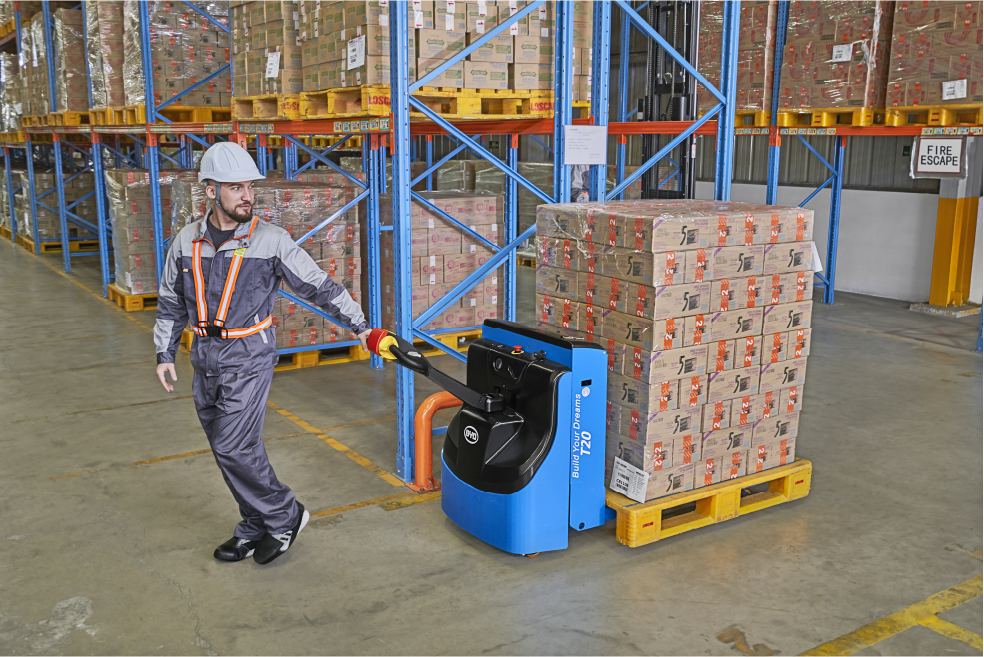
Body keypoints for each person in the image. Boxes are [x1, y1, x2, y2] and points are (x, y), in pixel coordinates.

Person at [153, 142, 372, 565]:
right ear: (211, 191)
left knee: (232, 445)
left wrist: (361, 327)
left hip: (248, 355)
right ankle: (253, 526)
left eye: (250, 187)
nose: (247, 196)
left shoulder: (271, 240)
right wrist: (164, 354)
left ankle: (286, 515)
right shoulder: (185, 241)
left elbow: (318, 285)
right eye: (236, 188)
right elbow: (170, 301)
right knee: (230, 448)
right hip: (204, 355)